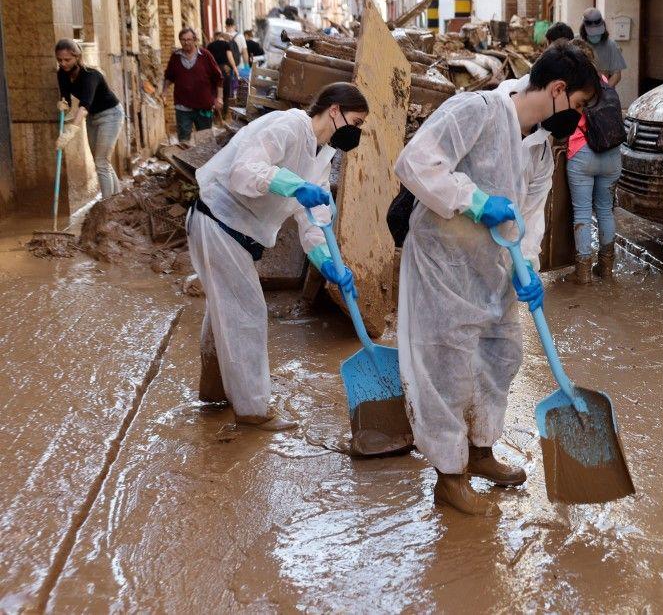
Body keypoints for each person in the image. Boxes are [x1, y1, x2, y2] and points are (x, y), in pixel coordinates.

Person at [395, 42, 601, 516]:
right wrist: (474, 200)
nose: (579, 117)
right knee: (448, 367)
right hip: (444, 263)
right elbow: (415, 162)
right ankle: (450, 476)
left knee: (502, 355)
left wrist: (526, 267)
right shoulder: (478, 111)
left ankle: (480, 450)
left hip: (495, 267)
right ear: (557, 89)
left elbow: (530, 216)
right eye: (578, 104)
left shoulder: (542, 149)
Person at [187, 82, 368, 431]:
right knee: (247, 313)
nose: (356, 132)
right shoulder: (287, 126)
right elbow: (244, 171)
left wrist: (328, 262)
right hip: (218, 220)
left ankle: (214, 391)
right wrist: (293, 185)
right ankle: (253, 410)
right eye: (356, 122)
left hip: (236, 231)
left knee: (224, 310)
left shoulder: (322, 155)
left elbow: (313, 220)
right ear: (335, 110)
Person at [565, 38, 622, 284]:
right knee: (605, 211)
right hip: (612, 156)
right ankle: (607, 268)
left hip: (582, 155)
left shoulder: (572, 87)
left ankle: (584, 272)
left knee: (582, 213)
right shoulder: (604, 81)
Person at [54, 39, 125, 199]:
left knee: (101, 162)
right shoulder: (62, 74)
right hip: (92, 117)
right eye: (59, 59)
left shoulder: (90, 76)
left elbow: (84, 106)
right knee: (101, 161)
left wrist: (71, 131)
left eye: (67, 60)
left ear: (77, 57)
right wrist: (63, 103)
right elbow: (66, 98)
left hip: (111, 115)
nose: (63, 63)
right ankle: (117, 198)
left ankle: (107, 204)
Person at [160, 28, 223, 143]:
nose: (186, 42)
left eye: (189, 39)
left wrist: (219, 98)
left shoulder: (205, 55)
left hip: (204, 106)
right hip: (182, 106)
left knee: (205, 141)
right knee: (184, 140)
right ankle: (185, 154)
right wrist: (164, 92)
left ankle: (205, 155)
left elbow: (218, 77)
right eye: (183, 40)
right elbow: (169, 77)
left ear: (194, 40)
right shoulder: (175, 57)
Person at [580, 8, 626, 87]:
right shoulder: (577, 43)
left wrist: (606, 89)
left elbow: (616, 75)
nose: (595, 35)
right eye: (592, 33)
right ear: (584, 29)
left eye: (597, 32)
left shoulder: (611, 45)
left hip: (604, 86)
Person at [207, 31, 239, 118]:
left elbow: (208, 59)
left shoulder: (210, 46)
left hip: (213, 71)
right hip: (224, 70)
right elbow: (230, 57)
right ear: (224, 38)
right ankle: (224, 114)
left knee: (215, 93)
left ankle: (216, 115)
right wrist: (235, 69)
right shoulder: (226, 44)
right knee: (226, 94)